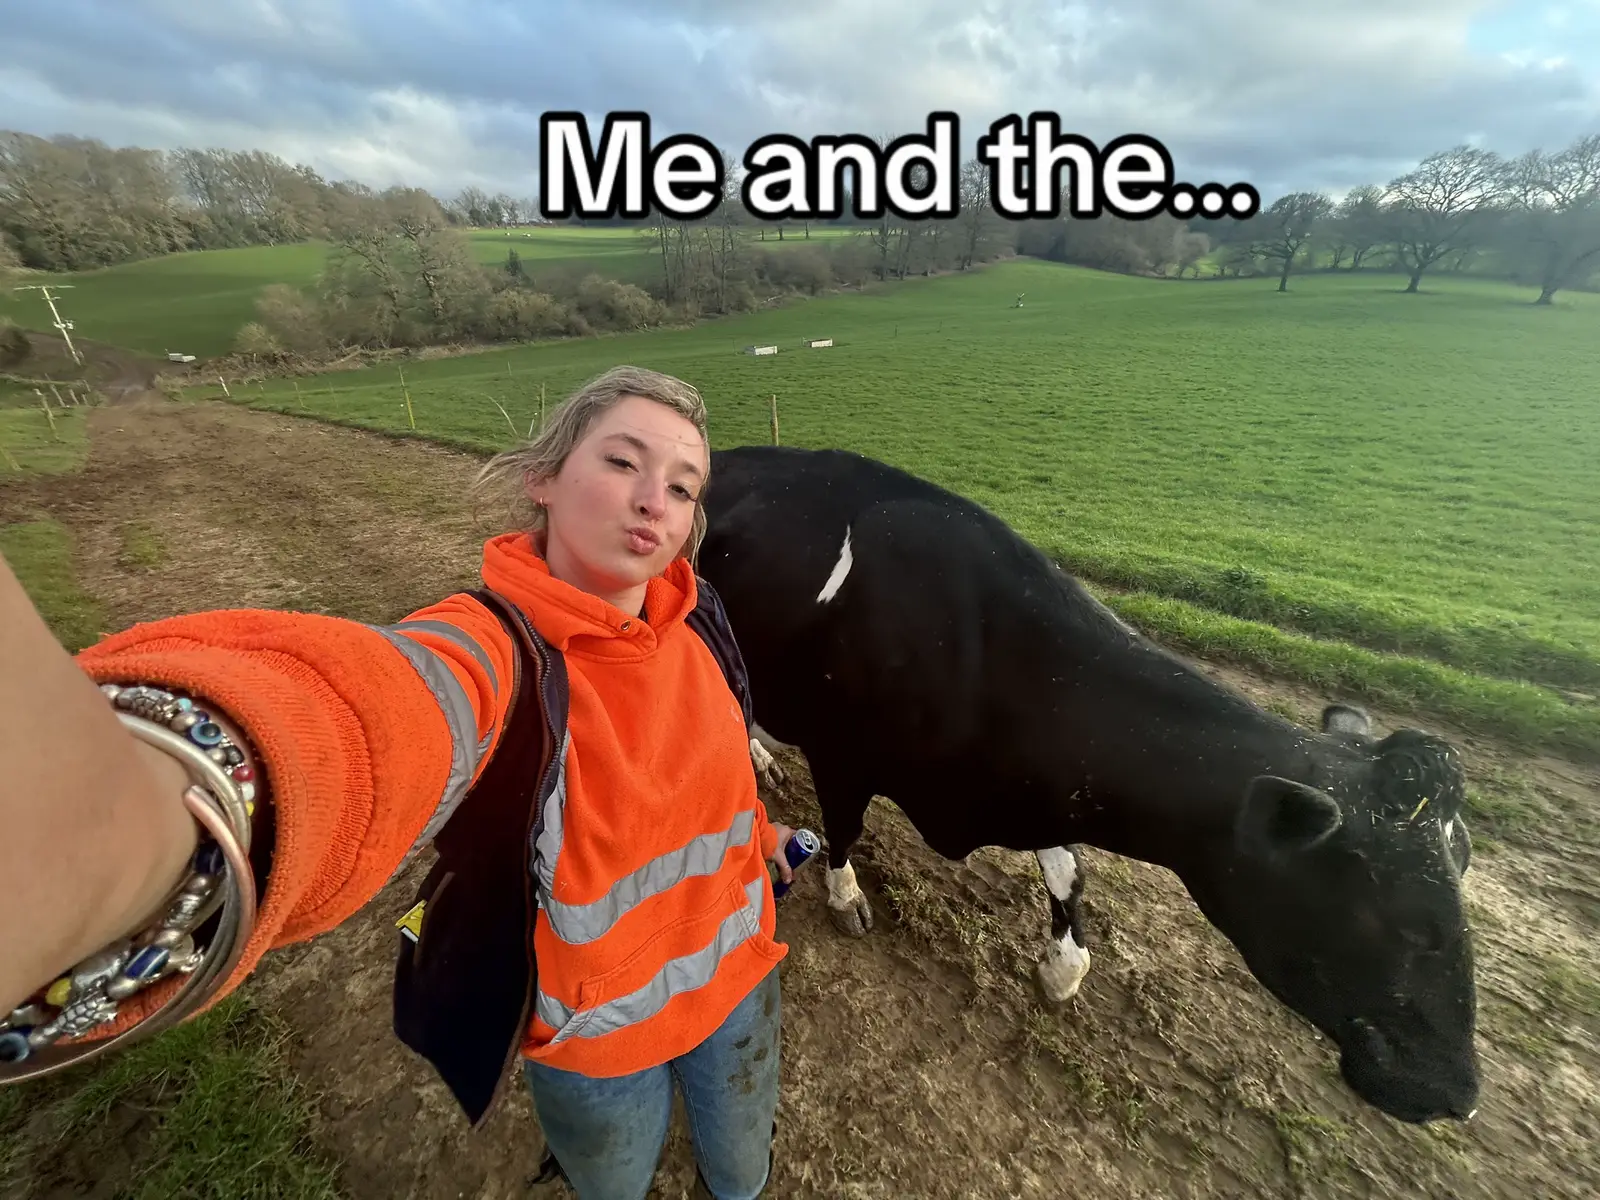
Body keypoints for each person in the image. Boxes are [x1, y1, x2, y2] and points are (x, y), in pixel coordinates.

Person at [0, 365, 803, 1200]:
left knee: (742, 1179)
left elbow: (712, 781)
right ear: (543, 478)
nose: (653, 501)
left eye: (682, 486)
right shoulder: (492, 652)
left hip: (743, 980)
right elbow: (370, 711)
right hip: (599, 1036)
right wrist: (163, 807)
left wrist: (759, 836)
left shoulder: (702, 618)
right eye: (621, 463)